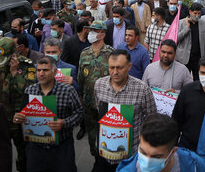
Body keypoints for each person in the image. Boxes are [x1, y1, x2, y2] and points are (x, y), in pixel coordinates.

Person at [14, 56, 83, 172]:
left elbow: (80, 113)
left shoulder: (68, 91)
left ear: (55, 71)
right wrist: (18, 118)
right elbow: (22, 115)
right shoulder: (29, 91)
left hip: (61, 147)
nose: (41, 73)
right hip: (36, 148)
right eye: (39, 70)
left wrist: (64, 123)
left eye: (45, 70)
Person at [94, 50, 157, 171]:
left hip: (130, 156)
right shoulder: (99, 85)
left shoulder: (142, 89)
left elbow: (152, 119)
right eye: (111, 68)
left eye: (119, 68)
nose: (115, 72)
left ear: (129, 67)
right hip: (104, 152)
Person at [0, 37, 36, 172]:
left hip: (20, 119)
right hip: (0, 118)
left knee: (24, 152)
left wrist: (14, 73)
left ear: (15, 54)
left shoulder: (27, 66)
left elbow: (30, 91)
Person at [116, 114, 205, 172]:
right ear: (140, 139)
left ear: (173, 152)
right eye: (143, 152)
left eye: (156, 157)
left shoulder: (195, 165)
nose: (147, 162)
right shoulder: (127, 169)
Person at [77, 21, 114, 157]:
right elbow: (80, 77)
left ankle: (106, 157)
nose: (90, 33)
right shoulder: (84, 53)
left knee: (107, 131)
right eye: (90, 30)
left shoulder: (111, 53)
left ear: (102, 34)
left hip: (105, 101)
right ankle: (95, 156)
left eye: (94, 31)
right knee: (91, 131)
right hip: (88, 100)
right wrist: (80, 95)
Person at [176, 3, 205, 80]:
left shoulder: (204, 24)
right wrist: (187, 28)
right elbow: (177, 39)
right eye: (195, 13)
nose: (197, 15)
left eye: (199, 13)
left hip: (198, 58)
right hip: (184, 58)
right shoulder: (181, 23)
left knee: (198, 79)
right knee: (183, 80)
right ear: (190, 12)